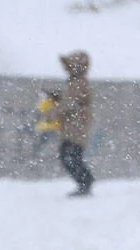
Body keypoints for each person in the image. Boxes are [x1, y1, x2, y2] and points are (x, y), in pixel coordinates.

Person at [43, 50, 94, 197]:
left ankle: (86, 182)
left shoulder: (78, 83)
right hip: (72, 127)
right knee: (69, 156)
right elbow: (70, 101)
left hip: (75, 127)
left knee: (69, 156)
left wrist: (51, 114)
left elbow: (69, 104)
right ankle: (85, 182)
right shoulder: (75, 82)